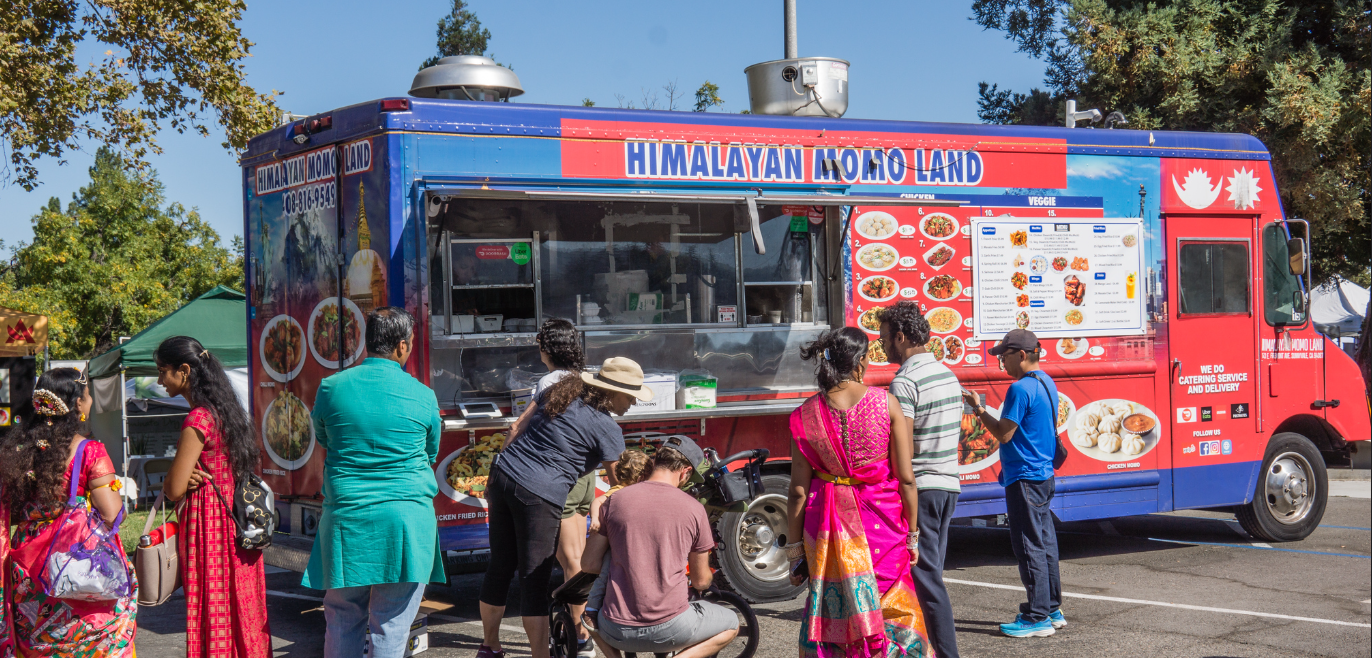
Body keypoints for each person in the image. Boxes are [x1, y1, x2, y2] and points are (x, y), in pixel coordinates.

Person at [478, 357, 649, 658]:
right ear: (611, 391)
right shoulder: (607, 427)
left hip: (503, 477)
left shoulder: (559, 392)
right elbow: (621, 487)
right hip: (537, 493)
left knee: (500, 567)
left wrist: (497, 471)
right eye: (630, 395)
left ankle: (489, 647)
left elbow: (517, 427)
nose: (633, 402)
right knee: (534, 579)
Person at [303, 307, 446, 657]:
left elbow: (324, 437)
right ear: (400, 346)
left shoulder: (331, 387)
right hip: (405, 523)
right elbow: (431, 452)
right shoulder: (424, 395)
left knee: (341, 617)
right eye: (410, 343)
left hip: (347, 522)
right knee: (392, 624)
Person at [785, 327, 932, 658]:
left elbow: (797, 491)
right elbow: (907, 479)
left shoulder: (805, 414)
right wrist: (912, 535)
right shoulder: (887, 404)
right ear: (861, 361)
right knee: (892, 606)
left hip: (827, 530)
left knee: (832, 606)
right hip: (882, 526)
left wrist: (795, 552)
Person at [0, 368, 136, 656]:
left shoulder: (20, 450)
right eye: (87, 395)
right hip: (75, 563)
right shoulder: (89, 451)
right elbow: (112, 514)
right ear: (77, 404)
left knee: (38, 638)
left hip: (27, 564)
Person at [158, 336, 273, 656]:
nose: (158, 380)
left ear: (183, 371)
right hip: (238, 522)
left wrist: (177, 474)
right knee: (243, 606)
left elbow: (174, 489)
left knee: (214, 607)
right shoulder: (227, 411)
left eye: (162, 371)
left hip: (211, 526)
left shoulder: (197, 418)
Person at [581, 437, 738, 658]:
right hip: (671, 629)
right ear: (685, 472)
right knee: (731, 623)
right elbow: (701, 580)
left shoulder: (614, 501)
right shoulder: (694, 509)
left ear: (655, 461)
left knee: (590, 619)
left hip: (615, 629)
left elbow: (589, 564)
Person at [960, 328, 1065, 638]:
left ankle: (1036, 618)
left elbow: (1004, 433)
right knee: (1045, 543)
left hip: (1024, 477)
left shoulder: (1019, 389)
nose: (1000, 363)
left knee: (1028, 546)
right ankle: (1051, 608)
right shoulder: (1047, 381)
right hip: (1043, 475)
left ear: (1021, 355)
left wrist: (978, 409)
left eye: (1003, 356)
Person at [880, 302, 963, 658]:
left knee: (926, 578)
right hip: (949, 485)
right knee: (931, 572)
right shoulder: (948, 374)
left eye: (884, 338)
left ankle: (947, 653)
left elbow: (903, 447)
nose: (882, 346)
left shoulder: (905, 382)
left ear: (900, 337)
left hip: (923, 488)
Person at [582, 448, 653, 627]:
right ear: (640, 477)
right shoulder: (619, 490)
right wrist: (596, 519)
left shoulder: (641, 492)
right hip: (613, 545)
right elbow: (597, 501)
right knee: (605, 573)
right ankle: (591, 609)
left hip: (628, 541)